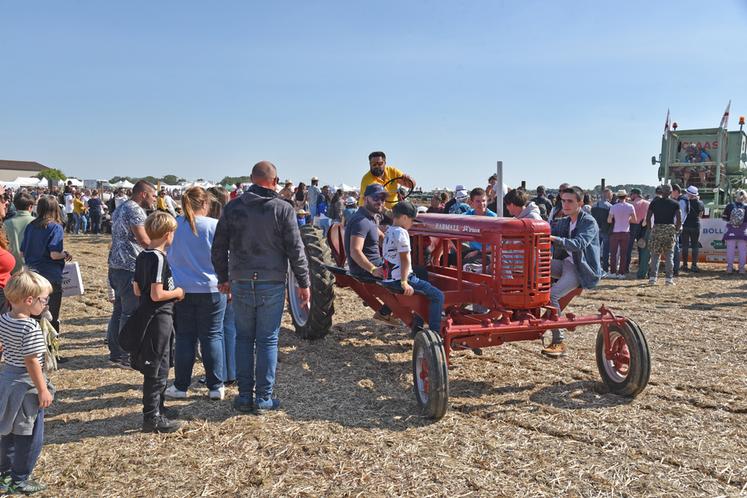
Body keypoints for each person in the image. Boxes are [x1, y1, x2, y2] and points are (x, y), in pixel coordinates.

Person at [212, 161, 310, 413]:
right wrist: (303, 282)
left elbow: (219, 247)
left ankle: (245, 396)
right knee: (267, 340)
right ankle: (264, 398)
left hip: (241, 280)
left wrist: (223, 277)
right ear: (274, 181)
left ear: (252, 179)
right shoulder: (282, 208)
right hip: (271, 280)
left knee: (244, 338)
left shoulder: (233, 207)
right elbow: (295, 249)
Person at [118, 212, 184, 433]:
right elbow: (156, 294)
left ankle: (159, 407)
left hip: (149, 314)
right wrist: (177, 292)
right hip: (158, 316)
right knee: (157, 365)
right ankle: (152, 417)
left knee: (160, 362)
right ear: (168, 234)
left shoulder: (143, 255)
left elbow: (137, 288)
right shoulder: (158, 258)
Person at [164, 187, 227, 401]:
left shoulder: (174, 226)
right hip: (212, 289)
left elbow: (167, 255)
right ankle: (215, 385)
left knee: (184, 338)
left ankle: (181, 386)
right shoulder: (215, 226)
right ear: (206, 204)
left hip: (182, 290)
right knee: (212, 337)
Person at [0, 270, 54, 494]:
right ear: (29, 300)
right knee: (29, 435)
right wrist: (42, 390)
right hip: (25, 387)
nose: (46, 305)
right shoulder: (30, 328)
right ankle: (20, 478)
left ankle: (4, 473)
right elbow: (32, 362)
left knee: (7, 431)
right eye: (44, 300)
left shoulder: (4, 318)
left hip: (7, 380)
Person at [544, 187, 602, 358]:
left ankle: (558, 341)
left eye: (570, 201)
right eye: (563, 201)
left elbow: (578, 244)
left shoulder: (589, 222)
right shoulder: (564, 221)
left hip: (581, 268)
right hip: (566, 263)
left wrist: (554, 239)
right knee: (531, 267)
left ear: (580, 203)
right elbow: (547, 231)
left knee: (552, 295)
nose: (566, 204)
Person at [107, 181, 157, 368]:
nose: (154, 200)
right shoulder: (135, 210)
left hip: (116, 265)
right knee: (129, 312)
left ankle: (116, 352)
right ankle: (126, 353)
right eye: (153, 195)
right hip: (130, 266)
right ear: (143, 194)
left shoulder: (121, 208)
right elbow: (143, 240)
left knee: (119, 310)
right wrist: (161, 248)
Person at [382, 201, 444, 332]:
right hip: (402, 279)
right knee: (438, 295)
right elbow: (405, 259)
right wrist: (405, 282)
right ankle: (435, 332)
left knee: (423, 284)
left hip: (389, 278)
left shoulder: (389, 231)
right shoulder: (401, 233)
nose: (411, 224)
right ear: (404, 217)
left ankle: (419, 325)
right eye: (411, 220)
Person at [20, 196, 72, 336]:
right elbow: (54, 254)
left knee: (33, 315)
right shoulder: (56, 227)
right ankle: (50, 354)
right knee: (51, 316)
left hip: (32, 276)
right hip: (50, 278)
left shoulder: (31, 226)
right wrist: (65, 254)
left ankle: (33, 349)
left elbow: (22, 252)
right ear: (55, 209)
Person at [207, 187, 236, 386]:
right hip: (231, 280)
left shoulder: (210, 226)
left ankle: (220, 374)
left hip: (216, 283)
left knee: (216, 331)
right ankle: (232, 372)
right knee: (230, 329)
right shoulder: (233, 224)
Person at [645, 184, 682, 286]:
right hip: (669, 229)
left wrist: (650, 229)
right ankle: (669, 279)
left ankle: (652, 279)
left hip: (657, 229)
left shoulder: (654, 202)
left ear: (661, 192)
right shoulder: (675, 203)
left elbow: (648, 218)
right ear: (670, 192)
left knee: (655, 255)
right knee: (669, 255)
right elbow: (679, 219)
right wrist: (676, 230)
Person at [607, 190, 637, 278]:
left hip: (615, 232)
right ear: (626, 196)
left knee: (613, 253)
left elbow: (609, 220)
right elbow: (635, 220)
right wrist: (628, 220)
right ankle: (621, 273)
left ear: (617, 197)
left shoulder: (613, 207)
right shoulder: (630, 206)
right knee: (623, 254)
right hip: (625, 232)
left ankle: (612, 272)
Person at [4, 192, 34, 275]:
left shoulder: (6, 223)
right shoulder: (37, 222)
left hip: (12, 267)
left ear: (15, 206)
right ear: (30, 207)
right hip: (33, 267)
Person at [722, 189, 747, 274]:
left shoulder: (730, 206)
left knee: (730, 250)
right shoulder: (746, 207)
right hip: (743, 232)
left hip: (731, 230)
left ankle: (729, 268)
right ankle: (742, 269)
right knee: (742, 251)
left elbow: (724, 218)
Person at [680, 186, 704, 272]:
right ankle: (694, 265)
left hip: (685, 225)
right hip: (695, 225)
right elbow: (700, 215)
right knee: (695, 245)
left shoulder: (684, 202)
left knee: (685, 245)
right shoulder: (700, 203)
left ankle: (685, 265)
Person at [626, 188, 649, 275]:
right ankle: (642, 267)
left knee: (629, 247)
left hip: (633, 225)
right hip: (644, 225)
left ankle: (626, 268)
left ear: (635, 194)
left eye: (631, 194)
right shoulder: (647, 203)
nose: (630, 196)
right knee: (642, 247)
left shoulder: (632, 204)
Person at [590, 188, 612, 274]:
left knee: (596, 249)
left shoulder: (594, 205)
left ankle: (595, 267)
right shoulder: (609, 206)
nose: (611, 196)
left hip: (596, 230)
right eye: (610, 194)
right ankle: (605, 268)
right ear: (607, 195)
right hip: (606, 230)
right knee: (606, 250)